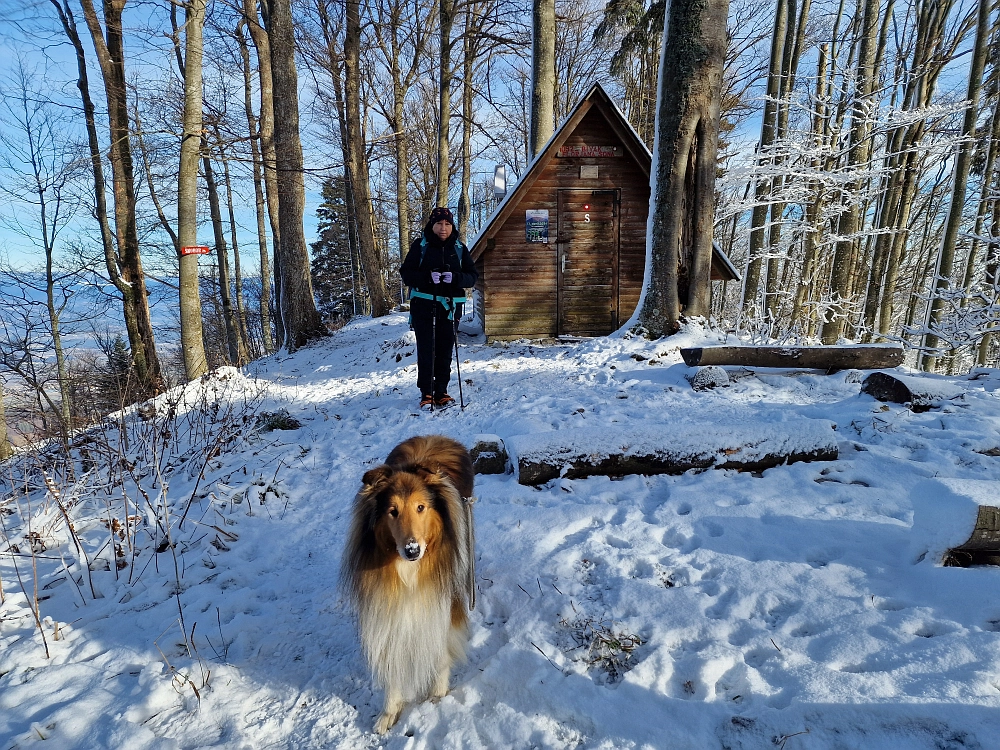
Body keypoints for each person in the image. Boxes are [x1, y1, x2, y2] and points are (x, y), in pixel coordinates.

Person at [400, 207, 478, 409]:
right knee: (426, 349)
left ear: (452, 226)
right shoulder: (421, 246)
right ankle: (426, 392)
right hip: (423, 305)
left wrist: (456, 278)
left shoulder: (459, 249)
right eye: (439, 224)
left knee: (445, 349)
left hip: (450, 307)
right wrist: (427, 278)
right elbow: (406, 273)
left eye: (447, 224)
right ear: (432, 225)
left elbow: (472, 276)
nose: (443, 228)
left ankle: (441, 391)